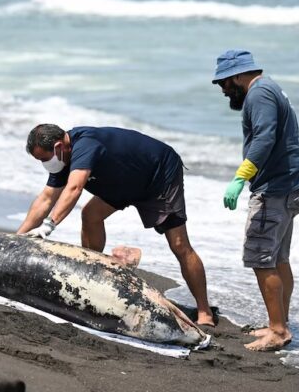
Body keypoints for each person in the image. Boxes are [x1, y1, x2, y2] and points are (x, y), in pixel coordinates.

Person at [16, 124, 216, 327]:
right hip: (123, 182)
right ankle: (91, 278)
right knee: (91, 215)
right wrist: (18, 238)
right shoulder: (61, 159)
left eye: (43, 159)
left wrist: (49, 225)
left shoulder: (85, 145)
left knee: (179, 245)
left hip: (158, 176)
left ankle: (204, 311)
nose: (44, 164)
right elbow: (46, 199)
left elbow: (75, 188)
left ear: (59, 146)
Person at [212, 49, 299, 352]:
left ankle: (278, 331)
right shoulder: (271, 89)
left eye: (224, 82)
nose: (223, 89)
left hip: (275, 191)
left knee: (261, 258)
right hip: (290, 186)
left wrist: (240, 178)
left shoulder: (259, 94)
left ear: (238, 75)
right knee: (278, 258)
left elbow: (265, 138)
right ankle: (279, 322)